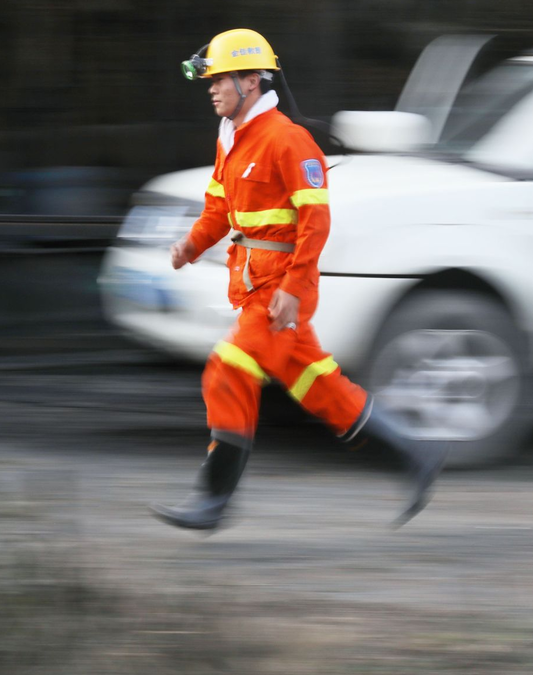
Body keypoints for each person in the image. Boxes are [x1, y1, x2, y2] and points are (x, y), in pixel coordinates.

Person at [150, 29, 449, 531]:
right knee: (319, 386)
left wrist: (291, 290)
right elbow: (219, 210)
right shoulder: (231, 140)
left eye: (220, 78)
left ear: (252, 80)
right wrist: (190, 246)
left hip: (281, 290)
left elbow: (316, 223)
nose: (212, 87)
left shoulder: (288, 140)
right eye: (211, 79)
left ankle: (212, 499)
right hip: (254, 289)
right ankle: (418, 454)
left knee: (227, 371)